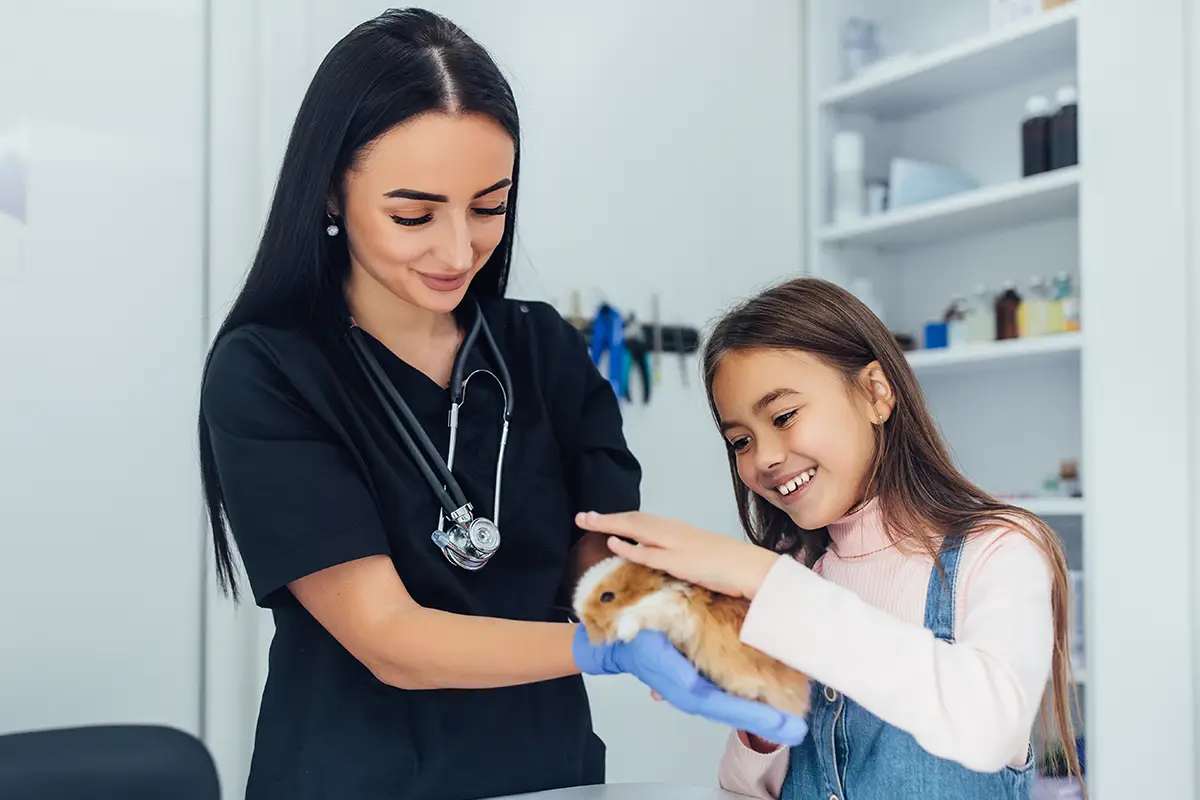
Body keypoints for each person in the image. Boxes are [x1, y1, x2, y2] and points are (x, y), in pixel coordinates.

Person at [198, 9, 806, 799]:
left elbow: (599, 562)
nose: (458, 251)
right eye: (413, 215)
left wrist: (682, 612)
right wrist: (599, 650)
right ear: (330, 192)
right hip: (354, 777)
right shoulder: (270, 370)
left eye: (489, 206)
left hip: (546, 774)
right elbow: (389, 639)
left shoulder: (542, 348)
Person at [575, 276, 1086, 799]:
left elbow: (990, 726)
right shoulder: (798, 571)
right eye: (740, 441)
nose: (763, 457)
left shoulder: (1000, 549)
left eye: (784, 416)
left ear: (876, 392)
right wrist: (758, 717)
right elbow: (744, 790)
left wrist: (763, 577)